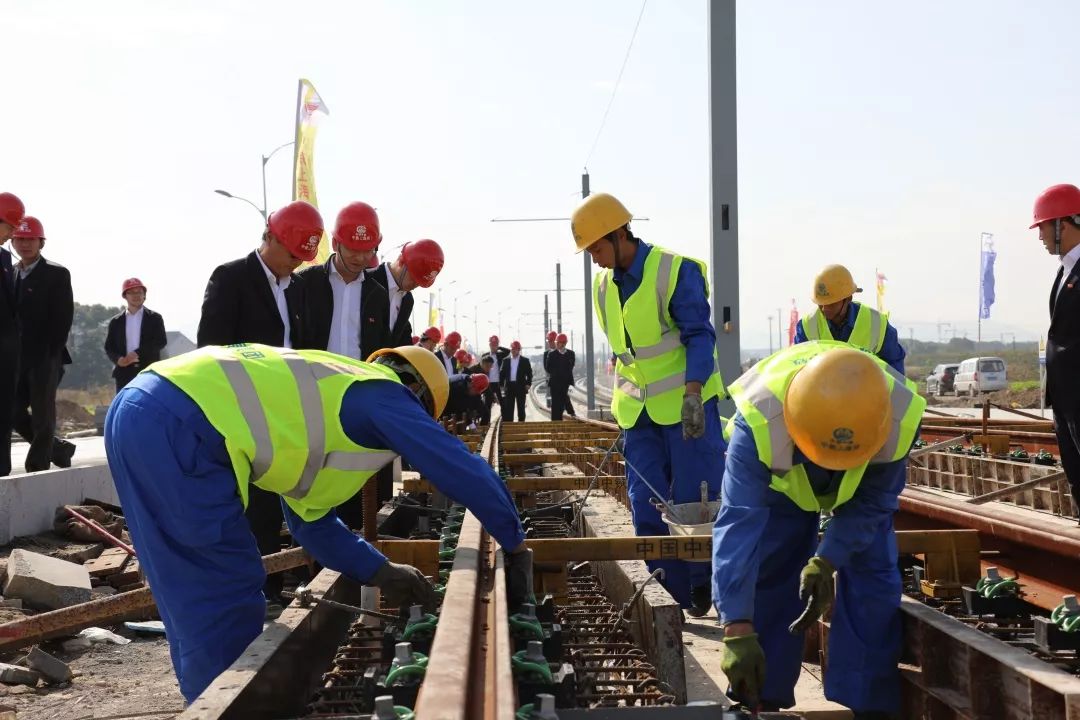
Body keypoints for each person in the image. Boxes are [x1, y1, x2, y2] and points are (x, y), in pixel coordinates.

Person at [104, 343, 533, 704]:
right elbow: (457, 465)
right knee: (221, 585)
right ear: (418, 396)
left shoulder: (331, 393)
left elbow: (313, 527)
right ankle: (225, 707)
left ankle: (204, 702)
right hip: (180, 421)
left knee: (187, 586)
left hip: (141, 405)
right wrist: (514, 544)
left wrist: (381, 571)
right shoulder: (382, 395)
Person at [713, 342, 924, 719]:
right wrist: (736, 626)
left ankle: (868, 701)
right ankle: (760, 693)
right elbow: (738, 526)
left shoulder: (895, 416)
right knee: (771, 566)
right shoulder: (759, 421)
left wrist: (828, 559)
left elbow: (874, 502)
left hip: (864, 480)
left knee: (873, 579)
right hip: (784, 492)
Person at [572, 192, 727, 614]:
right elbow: (628, 354)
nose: (595, 259)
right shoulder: (603, 285)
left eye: (598, 249)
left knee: (697, 504)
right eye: (588, 253)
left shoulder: (675, 271)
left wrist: (694, 393)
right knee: (645, 506)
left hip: (686, 408)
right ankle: (668, 595)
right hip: (638, 413)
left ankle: (703, 587)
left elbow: (699, 335)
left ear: (621, 234)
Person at [195, 200, 323, 605]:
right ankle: (244, 588)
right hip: (241, 408)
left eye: (303, 259)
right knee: (248, 501)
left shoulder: (298, 288)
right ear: (270, 238)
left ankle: (270, 585)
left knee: (281, 494)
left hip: (285, 408)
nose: (294, 264)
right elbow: (210, 347)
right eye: (291, 255)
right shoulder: (232, 278)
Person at [10, 216, 76, 471]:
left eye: (30, 239)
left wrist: (51, 354)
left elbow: (63, 318)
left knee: (42, 413)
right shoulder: (10, 272)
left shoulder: (57, 274)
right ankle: (58, 449)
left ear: (41, 242)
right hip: (16, 358)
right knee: (13, 412)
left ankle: (37, 465)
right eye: (20, 239)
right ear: (13, 241)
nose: (25, 245)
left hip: (46, 356)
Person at [1032, 183, 1080, 518]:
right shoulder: (1065, 271)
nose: (1040, 237)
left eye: (1044, 227)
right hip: (1066, 403)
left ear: (1063, 224)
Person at [298, 201, 389, 361]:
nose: (360, 258)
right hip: (313, 380)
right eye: (353, 250)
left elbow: (382, 348)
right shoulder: (305, 283)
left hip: (359, 382)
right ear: (335, 244)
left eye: (368, 251)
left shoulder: (377, 295)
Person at [794, 264, 905, 374]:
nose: (824, 309)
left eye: (831, 304)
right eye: (820, 304)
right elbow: (797, 368)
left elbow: (895, 370)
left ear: (848, 299)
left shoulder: (877, 325)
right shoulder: (807, 326)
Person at [369, 240, 444, 347]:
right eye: (414, 278)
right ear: (401, 261)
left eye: (420, 283)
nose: (415, 285)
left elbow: (402, 343)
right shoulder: (368, 280)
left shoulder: (407, 300)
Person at [104, 278, 167, 393]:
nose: (136, 295)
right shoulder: (116, 321)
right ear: (125, 296)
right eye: (131, 292)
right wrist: (118, 360)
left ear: (144, 295)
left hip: (148, 372)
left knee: (148, 406)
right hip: (123, 374)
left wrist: (136, 353)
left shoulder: (155, 318)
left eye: (139, 292)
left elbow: (161, 341)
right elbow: (109, 347)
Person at [0, 193, 24, 477]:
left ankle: (2, 473)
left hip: (7, 353)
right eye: (10, 228)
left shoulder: (6, 258)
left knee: (4, 413)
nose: (11, 235)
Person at [544, 332, 576, 421]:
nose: (556, 344)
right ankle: (555, 423)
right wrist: (558, 372)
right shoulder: (552, 354)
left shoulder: (570, 354)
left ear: (564, 343)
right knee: (555, 404)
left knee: (561, 403)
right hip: (554, 383)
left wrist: (561, 369)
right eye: (556, 342)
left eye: (558, 342)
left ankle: (560, 420)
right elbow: (548, 368)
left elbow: (570, 367)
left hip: (565, 383)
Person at [499, 340, 532, 422]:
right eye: (512, 349)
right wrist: (501, 386)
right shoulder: (505, 360)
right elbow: (502, 374)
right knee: (509, 408)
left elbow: (529, 374)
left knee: (521, 408)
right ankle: (510, 425)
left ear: (519, 350)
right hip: (509, 387)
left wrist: (528, 384)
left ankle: (521, 424)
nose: (513, 351)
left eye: (515, 349)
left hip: (520, 386)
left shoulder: (525, 361)